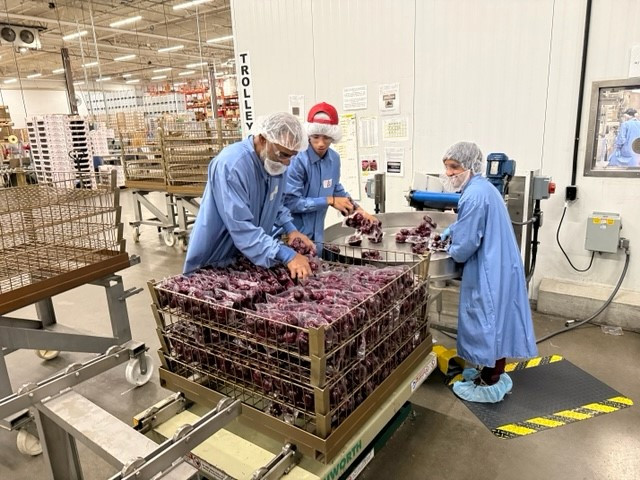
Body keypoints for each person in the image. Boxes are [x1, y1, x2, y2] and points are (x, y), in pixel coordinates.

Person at [439, 141, 537, 403]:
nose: (449, 173)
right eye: (446, 167)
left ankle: (490, 380)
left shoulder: (474, 195)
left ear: (470, 166)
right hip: (500, 263)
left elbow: (466, 245)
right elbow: (471, 225)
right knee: (498, 322)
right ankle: (491, 370)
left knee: (488, 322)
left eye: (454, 167)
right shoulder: (483, 188)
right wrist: (455, 229)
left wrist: (450, 245)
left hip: (489, 269)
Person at [184, 112, 315, 280]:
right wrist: (285, 254)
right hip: (216, 260)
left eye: (292, 156)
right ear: (262, 139)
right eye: (283, 154)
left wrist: (291, 230)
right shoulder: (232, 165)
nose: (287, 162)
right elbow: (241, 227)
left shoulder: (274, 164)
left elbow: (276, 203)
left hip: (247, 259)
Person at [282, 102, 377, 250]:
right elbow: (291, 202)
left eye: (326, 138)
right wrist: (328, 201)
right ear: (308, 135)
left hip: (317, 237)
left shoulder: (334, 159)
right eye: (315, 137)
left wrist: (360, 212)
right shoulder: (297, 160)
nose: (320, 143)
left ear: (333, 137)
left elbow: (336, 190)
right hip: (292, 236)